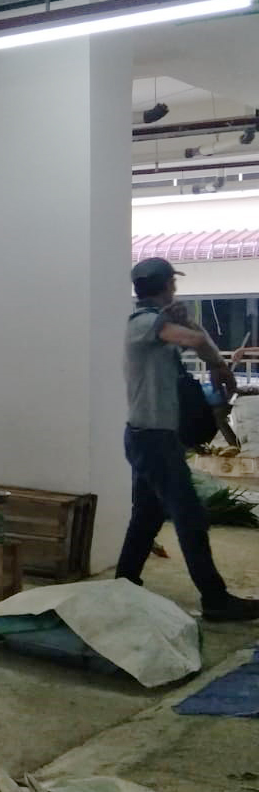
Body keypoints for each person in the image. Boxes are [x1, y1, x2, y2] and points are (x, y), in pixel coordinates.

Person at [116, 258, 259, 621]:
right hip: (152, 440)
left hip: (151, 437)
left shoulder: (158, 326)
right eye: (173, 286)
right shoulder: (144, 324)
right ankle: (214, 599)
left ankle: (124, 582)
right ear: (167, 286)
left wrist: (188, 320)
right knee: (190, 515)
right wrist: (219, 365)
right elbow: (196, 342)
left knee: (147, 515)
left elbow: (194, 336)